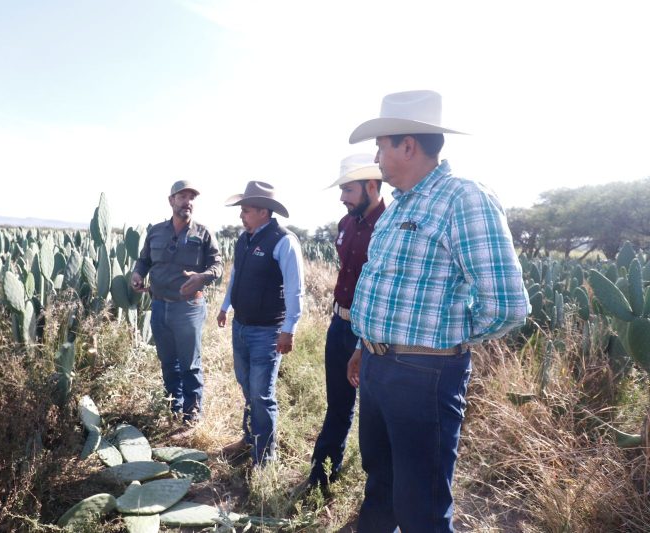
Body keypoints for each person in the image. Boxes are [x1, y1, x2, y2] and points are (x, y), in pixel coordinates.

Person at [345, 90, 530, 532]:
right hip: (376, 365)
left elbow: (506, 304)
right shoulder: (397, 209)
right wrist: (364, 345)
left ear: (407, 146)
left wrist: (443, 340)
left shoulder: (462, 199)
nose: (376, 155)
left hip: (423, 375)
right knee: (381, 486)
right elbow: (382, 285)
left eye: (381, 145)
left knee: (421, 505)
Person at [306, 154, 385, 488]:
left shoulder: (390, 225)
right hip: (339, 323)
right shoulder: (345, 224)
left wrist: (363, 338)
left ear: (371, 185)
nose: (342, 197)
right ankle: (322, 475)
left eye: (348, 190)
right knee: (337, 402)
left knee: (374, 413)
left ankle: (377, 491)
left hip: (371, 331)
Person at [217, 181, 304, 465]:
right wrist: (225, 306)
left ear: (264, 212)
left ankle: (265, 459)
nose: (241, 216)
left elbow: (294, 289)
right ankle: (250, 439)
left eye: (247, 210)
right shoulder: (244, 239)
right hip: (240, 326)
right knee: (246, 386)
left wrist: (289, 330)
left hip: (268, 332)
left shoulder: (283, 241)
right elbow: (235, 276)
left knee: (261, 394)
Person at [132, 180, 223, 424]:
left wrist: (203, 276)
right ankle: (174, 408)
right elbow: (144, 260)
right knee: (168, 361)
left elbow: (218, 266)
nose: (188, 202)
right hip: (159, 305)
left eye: (192, 198)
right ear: (171, 200)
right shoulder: (156, 231)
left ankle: (192, 418)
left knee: (190, 364)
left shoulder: (203, 233)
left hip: (189, 307)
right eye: (182, 197)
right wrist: (137, 274)